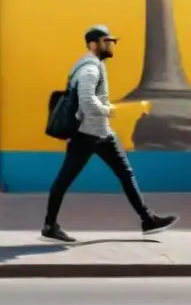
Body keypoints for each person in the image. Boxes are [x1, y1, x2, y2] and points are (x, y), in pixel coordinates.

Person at [41, 24, 181, 243]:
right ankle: (50, 225)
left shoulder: (90, 64)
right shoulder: (90, 68)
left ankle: (147, 219)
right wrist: (109, 110)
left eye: (112, 41)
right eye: (107, 41)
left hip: (101, 133)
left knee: (125, 173)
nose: (111, 45)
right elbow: (87, 100)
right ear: (93, 44)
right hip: (88, 134)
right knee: (66, 179)